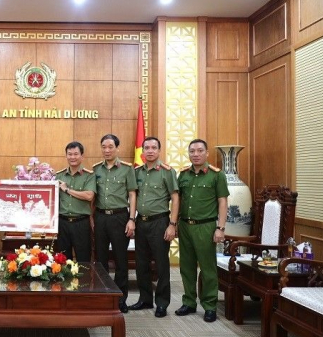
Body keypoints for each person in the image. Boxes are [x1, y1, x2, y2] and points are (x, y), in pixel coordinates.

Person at [175, 138, 229, 323]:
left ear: (206, 153)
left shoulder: (216, 175)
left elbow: (223, 202)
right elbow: (177, 201)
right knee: (186, 267)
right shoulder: (183, 175)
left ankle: (210, 306)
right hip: (184, 226)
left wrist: (220, 228)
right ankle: (189, 302)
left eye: (199, 151)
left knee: (208, 269)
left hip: (205, 226)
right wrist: (173, 223)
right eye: (192, 151)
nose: (196, 154)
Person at [129, 137, 179, 318]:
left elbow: (175, 198)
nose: (150, 151)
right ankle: (145, 299)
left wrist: (172, 225)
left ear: (159, 150)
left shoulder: (167, 171)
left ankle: (162, 303)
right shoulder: (137, 172)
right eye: (147, 148)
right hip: (141, 222)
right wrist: (132, 219)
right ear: (143, 151)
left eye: (153, 148)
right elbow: (133, 196)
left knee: (161, 264)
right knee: (141, 263)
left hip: (160, 222)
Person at [92, 134, 137, 313]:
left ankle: (120, 299)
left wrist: (131, 219)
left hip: (120, 217)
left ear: (117, 148)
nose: (107, 150)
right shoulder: (95, 169)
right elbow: (92, 196)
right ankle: (102, 296)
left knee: (120, 260)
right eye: (104, 147)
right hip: (101, 217)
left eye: (111, 146)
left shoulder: (127, 169)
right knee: (100, 260)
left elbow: (132, 194)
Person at [56, 141, 96, 262]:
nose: (72, 157)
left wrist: (67, 190)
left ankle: (85, 281)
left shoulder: (89, 175)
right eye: (70, 154)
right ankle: (64, 282)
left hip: (81, 223)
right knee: (62, 260)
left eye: (76, 154)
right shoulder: (59, 176)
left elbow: (89, 196)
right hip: (62, 223)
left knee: (83, 260)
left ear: (82, 156)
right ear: (66, 156)